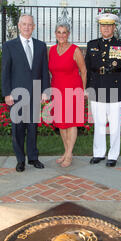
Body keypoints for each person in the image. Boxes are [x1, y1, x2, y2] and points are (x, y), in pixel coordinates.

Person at [1, 14, 50, 172]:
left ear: (34, 27)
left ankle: (33, 158)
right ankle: (20, 160)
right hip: (16, 95)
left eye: (30, 24)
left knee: (33, 128)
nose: (27, 27)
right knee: (18, 129)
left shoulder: (41, 46)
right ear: (19, 26)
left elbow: (44, 71)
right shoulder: (9, 46)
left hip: (35, 93)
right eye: (24, 24)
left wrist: (45, 91)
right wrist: (7, 93)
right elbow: (5, 72)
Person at [85, 13, 121, 167]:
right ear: (100, 27)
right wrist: (87, 88)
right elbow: (87, 69)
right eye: (103, 25)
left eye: (109, 25)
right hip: (97, 87)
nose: (105, 28)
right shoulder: (92, 44)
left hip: (115, 89)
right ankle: (98, 153)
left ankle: (113, 155)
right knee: (98, 124)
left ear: (114, 27)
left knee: (114, 125)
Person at [48, 23, 87, 168]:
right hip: (57, 89)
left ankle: (69, 154)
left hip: (73, 89)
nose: (61, 35)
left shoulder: (75, 50)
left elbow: (83, 71)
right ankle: (66, 151)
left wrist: (82, 90)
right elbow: (50, 70)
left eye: (64, 32)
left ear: (68, 34)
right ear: (55, 34)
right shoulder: (51, 50)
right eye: (59, 32)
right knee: (61, 124)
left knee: (71, 123)